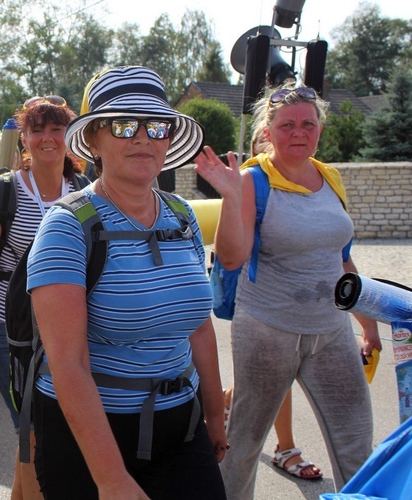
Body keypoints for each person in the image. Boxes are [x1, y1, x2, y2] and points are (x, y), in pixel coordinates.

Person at [26, 65, 226, 499]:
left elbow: (198, 327)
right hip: (87, 436)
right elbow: (68, 363)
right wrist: (111, 479)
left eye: (156, 125)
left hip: (180, 423)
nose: (142, 137)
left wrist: (214, 415)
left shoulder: (182, 216)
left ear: (169, 139)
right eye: (123, 125)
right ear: (94, 139)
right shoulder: (66, 225)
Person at [194, 83, 381, 498]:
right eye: (287, 125)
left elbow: (343, 262)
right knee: (244, 444)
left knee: (356, 442)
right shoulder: (252, 180)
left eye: (308, 124)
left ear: (319, 130)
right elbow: (230, 258)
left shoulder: (330, 178)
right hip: (267, 329)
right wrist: (229, 196)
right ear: (267, 131)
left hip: (331, 331)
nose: (299, 132)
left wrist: (367, 325)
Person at [0, 94, 91, 498]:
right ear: (24, 140)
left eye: (58, 129)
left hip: (70, 333)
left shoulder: (85, 191)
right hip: (10, 331)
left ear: (71, 137)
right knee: (35, 436)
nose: (48, 138)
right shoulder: (5, 191)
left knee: (36, 440)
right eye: (38, 130)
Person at [221, 130, 323, 481]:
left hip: (307, 309)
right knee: (274, 380)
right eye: (265, 149)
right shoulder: (253, 185)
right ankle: (285, 448)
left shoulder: (316, 184)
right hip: (261, 307)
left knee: (265, 381)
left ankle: (226, 402)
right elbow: (231, 252)